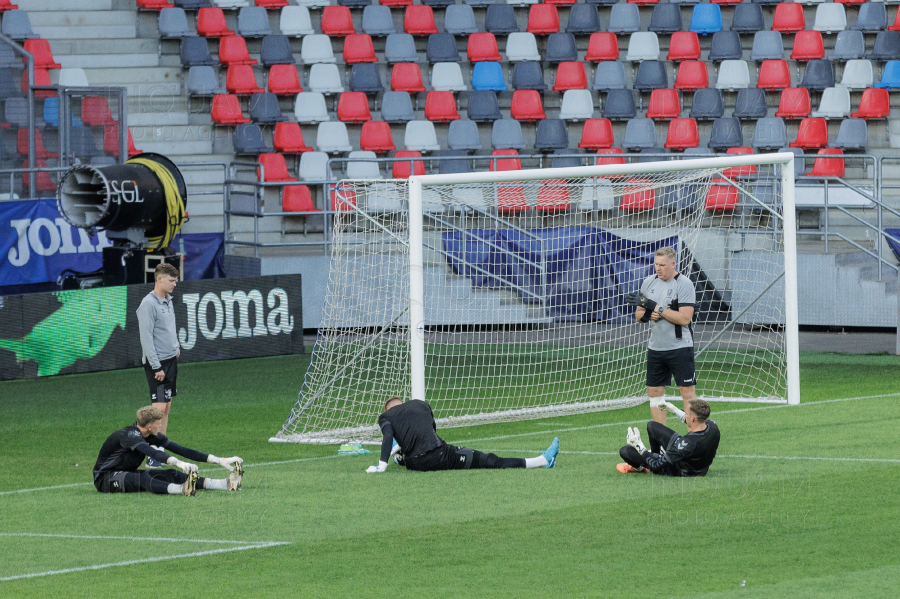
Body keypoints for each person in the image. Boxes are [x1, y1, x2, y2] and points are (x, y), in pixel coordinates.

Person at [365, 397, 559, 473]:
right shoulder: (419, 404)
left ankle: (544, 461)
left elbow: (389, 435)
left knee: (408, 456)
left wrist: (382, 464)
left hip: (415, 464)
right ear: (403, 402)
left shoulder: (385, 417)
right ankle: (542, 460)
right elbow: (432, 431)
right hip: (438, 455)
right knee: (489, 460)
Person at [93, 406, 244, 496]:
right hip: (105, 479)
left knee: (169, 474)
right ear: (149, 426)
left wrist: (218, 459)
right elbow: (152, 453)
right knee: (145, 480)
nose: (160, 427)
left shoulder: (150, 434)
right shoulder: (129, 436)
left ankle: (224, 484)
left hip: (124, 473)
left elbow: (181, 450)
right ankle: (182, 489)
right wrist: (177, 462)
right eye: (158, 424)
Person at [625, 246, 698, 425]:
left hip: (679, 347)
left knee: (687, 391)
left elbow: (684, 319)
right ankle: (661, 441)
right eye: (656, 264)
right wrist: (650, 315)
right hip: (655, 348)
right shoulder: (648, 282)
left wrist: (658, 308)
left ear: (673, 264)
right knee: (654, 393)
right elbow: (639, 315)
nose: (658, 268)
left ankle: (694, 436)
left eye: (663, 265)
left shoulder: (684, 284)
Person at [137, 262, 181, 467]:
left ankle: (159, 449)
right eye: (171, 281)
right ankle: (151, 453)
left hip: (170, 360)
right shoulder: (148, 305)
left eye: (176, 281)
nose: (174, 284)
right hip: (158, 364)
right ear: (159, 279)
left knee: (167, 408)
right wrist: (156, 367)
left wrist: (176, 346)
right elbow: (146, 339)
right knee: (157, 410)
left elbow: (168, 329)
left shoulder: (168, 300)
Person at [616, 399, 720, 477]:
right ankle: (655, 454)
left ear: (693, 418)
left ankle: (640, 468)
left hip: (680, 469)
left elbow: (656, 464)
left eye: (686, 412)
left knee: (625, 451)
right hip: (696, 463)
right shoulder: (712, 427)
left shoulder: (687, 443)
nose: (684, 413)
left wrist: (639, 446)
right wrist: (674, 410)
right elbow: (693, 423)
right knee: (652, 426)